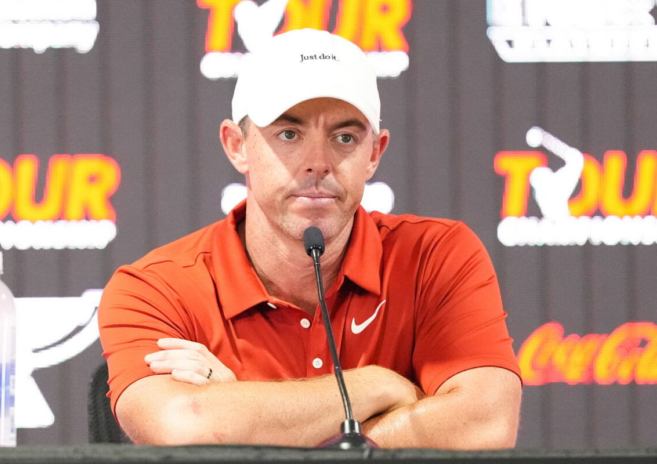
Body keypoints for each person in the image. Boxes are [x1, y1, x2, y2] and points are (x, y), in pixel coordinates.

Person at [98, 29, 522, 449]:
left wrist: (241, 413)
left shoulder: (436, 256)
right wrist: (378, 386)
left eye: (344, 138)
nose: (318, 162)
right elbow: (178, 422)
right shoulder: (155, 287)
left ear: (374, 153)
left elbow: (485, 423)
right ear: (236, 145)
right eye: (289, 134)